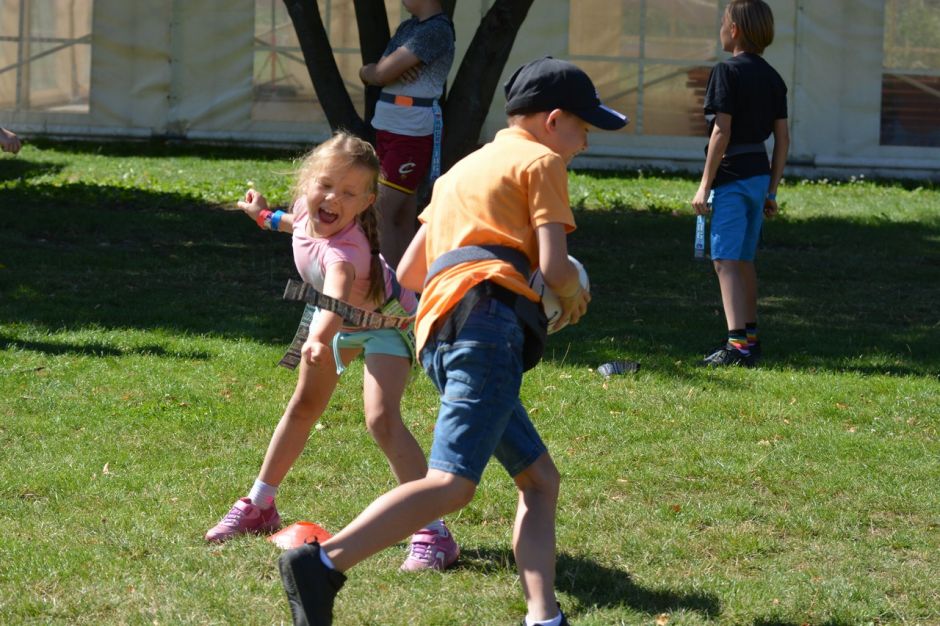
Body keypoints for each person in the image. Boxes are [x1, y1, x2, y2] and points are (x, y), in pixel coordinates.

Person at [276, 57, 627, 626]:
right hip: (487, 327)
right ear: (554, 120)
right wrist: (571, 295)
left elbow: (411, 272)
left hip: (440, 332)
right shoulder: (542, 162)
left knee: (540, 480)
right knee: (452, 484)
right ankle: (323, 562)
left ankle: (543, 615)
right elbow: (555, 265)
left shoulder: (461, 171)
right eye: (583, 128)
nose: (584, 142)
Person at [205, 132, 459, 572]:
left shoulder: (346, 253)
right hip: (336, 321)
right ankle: (260, 505)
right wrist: (263, 214)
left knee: (382, 419)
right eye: (324, 185)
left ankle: (433, 529)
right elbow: (295, 224)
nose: (331, 198)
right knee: (303, 407)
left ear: (366, 202)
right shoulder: (310, 213)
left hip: (384, 324)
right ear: (308, 181)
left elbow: (336, 298)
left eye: (347, 193)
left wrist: (319, 339)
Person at [691, 0, 789, 367]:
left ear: (734, 30)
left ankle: (736, 347)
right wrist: (772, 190)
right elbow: (783, 139)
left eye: (723, 22)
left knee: (725, 259)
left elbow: (722, 131)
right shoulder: (774, 78)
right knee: (745, 259)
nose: (720, 28)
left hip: (732, 176)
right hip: (759, 177)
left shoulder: (725, 72)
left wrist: (704, 184)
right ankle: (750, 339)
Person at [358, 0, 455, 268]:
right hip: (390, 126)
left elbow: (380, 73)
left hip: (410, 131)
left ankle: (388, 284)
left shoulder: (436, 30)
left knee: (382, 210)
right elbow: (380, 71)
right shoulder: (408, 27)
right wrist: (374, 71)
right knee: (401, 215)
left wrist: (375, 72)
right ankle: (406, 285)